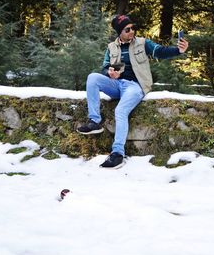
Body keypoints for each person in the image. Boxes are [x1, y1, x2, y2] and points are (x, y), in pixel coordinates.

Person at [77, 15, 189, 169]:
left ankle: (117, 154)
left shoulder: (142, 43)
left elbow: (160, 51)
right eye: (127, 29)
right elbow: (105, 67)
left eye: (133, 28)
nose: (132, 31)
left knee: (120, 110)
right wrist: (110, 73)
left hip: (135, 86)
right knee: (92, 78)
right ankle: (94, 121)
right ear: (119, 32)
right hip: (117, 84)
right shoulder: (111, 47)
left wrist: (178, 50)